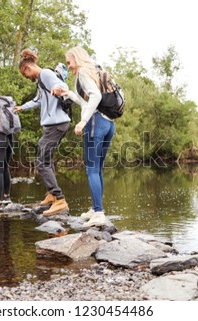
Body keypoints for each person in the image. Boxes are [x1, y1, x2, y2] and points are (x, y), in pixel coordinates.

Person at [55, 46, 115, 227]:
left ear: (77, 59)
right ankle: (96, 208)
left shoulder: (82, 72)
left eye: (69, 62)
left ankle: (98, 213)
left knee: (91, 169)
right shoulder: (95, 71)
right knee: (97, 169)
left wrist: (82, 121)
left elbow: (95, 97)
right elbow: (86, 101)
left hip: (95, 124)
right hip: (108, 124)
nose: (69, 66)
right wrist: (69, 94)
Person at [14, 49, 70, 216]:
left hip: (57, 124)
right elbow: (38, 100)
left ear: (28, 68)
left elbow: (63, 85)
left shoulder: (45, 73)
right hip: (55, 124)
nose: (26, 77)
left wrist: (58, 88)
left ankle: (60, 200)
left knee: (41, 161)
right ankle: (52, 195)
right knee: (46, 159)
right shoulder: (40, 81)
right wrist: (22, 107)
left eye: (25, 74)